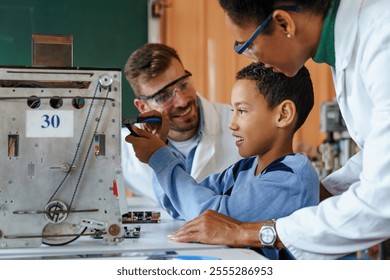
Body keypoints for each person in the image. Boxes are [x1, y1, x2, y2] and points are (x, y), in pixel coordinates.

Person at [168, 0, 390, 260]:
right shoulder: (343, 46)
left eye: (247, 45)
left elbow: (381, 201)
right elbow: (377, 153)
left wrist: (250, 232)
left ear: (284, 23)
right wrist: (327, 190)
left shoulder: (381, 39)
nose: (252, 58)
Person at [126, 62, 319, 259]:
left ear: (283, 114)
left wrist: (160, 158)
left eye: (241, 111)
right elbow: (180, 205)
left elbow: (210, 217)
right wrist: (161, 145)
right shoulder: (243, 169)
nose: (231, 123)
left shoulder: (290, 177)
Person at [121, 43, 241, 202]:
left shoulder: (239, 125)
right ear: (143, 106)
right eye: (163, 96)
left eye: (183, 85)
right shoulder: (123, 149)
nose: (182, 102)